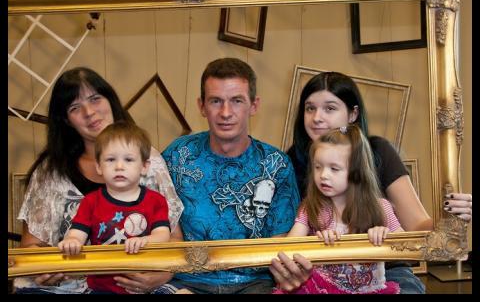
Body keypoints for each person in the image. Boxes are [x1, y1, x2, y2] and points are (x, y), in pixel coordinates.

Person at [269, 71, 473, 294]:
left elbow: (415, 226)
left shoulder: (379, 152)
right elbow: (289, 242)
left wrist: (449, 221)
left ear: (352, 114)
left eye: (329, 108)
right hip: (321, 270)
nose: (317, 117)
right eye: (310, 108)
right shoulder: (289, 163)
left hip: (385, 268)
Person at [14, 67, 183, 294]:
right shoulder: (50, 171)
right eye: (75, 107)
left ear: (110, 100)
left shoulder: (149, 160)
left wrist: (161, 275)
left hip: (134, 285)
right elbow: (30, 246)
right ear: (66, 120)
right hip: (65, 288)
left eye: (95, 99)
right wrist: (43, 270)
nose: (89, 112)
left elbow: (173, 240)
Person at [160, 57, 300, 294]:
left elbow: (282, 240)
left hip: (255, 283)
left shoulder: (276, 165)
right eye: (216, 101)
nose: (226, 112)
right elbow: (154, 219)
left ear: (254, 105)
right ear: (201, 106)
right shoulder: (177, 156)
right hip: (187, 281)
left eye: (237, 101)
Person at [274, 125, 402, 294]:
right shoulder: (310, 207)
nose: (323, 175)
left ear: (357, 173)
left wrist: (385, 236)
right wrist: (316, 245)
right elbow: (288, 250)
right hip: (322, 289)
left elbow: (406, 246)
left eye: (334, 169)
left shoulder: (380, 207)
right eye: (318, 167)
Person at [58, 121, 171, 294]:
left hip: (144, 285)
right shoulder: (90, 202)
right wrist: (72, 241)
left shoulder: (156, 200)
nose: (119, 166)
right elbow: (77, 233)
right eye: (110, 159)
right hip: (100, 286)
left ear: (144, 166)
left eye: (128, 159)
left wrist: (145, 241)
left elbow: (163, 235)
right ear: (99, 166)